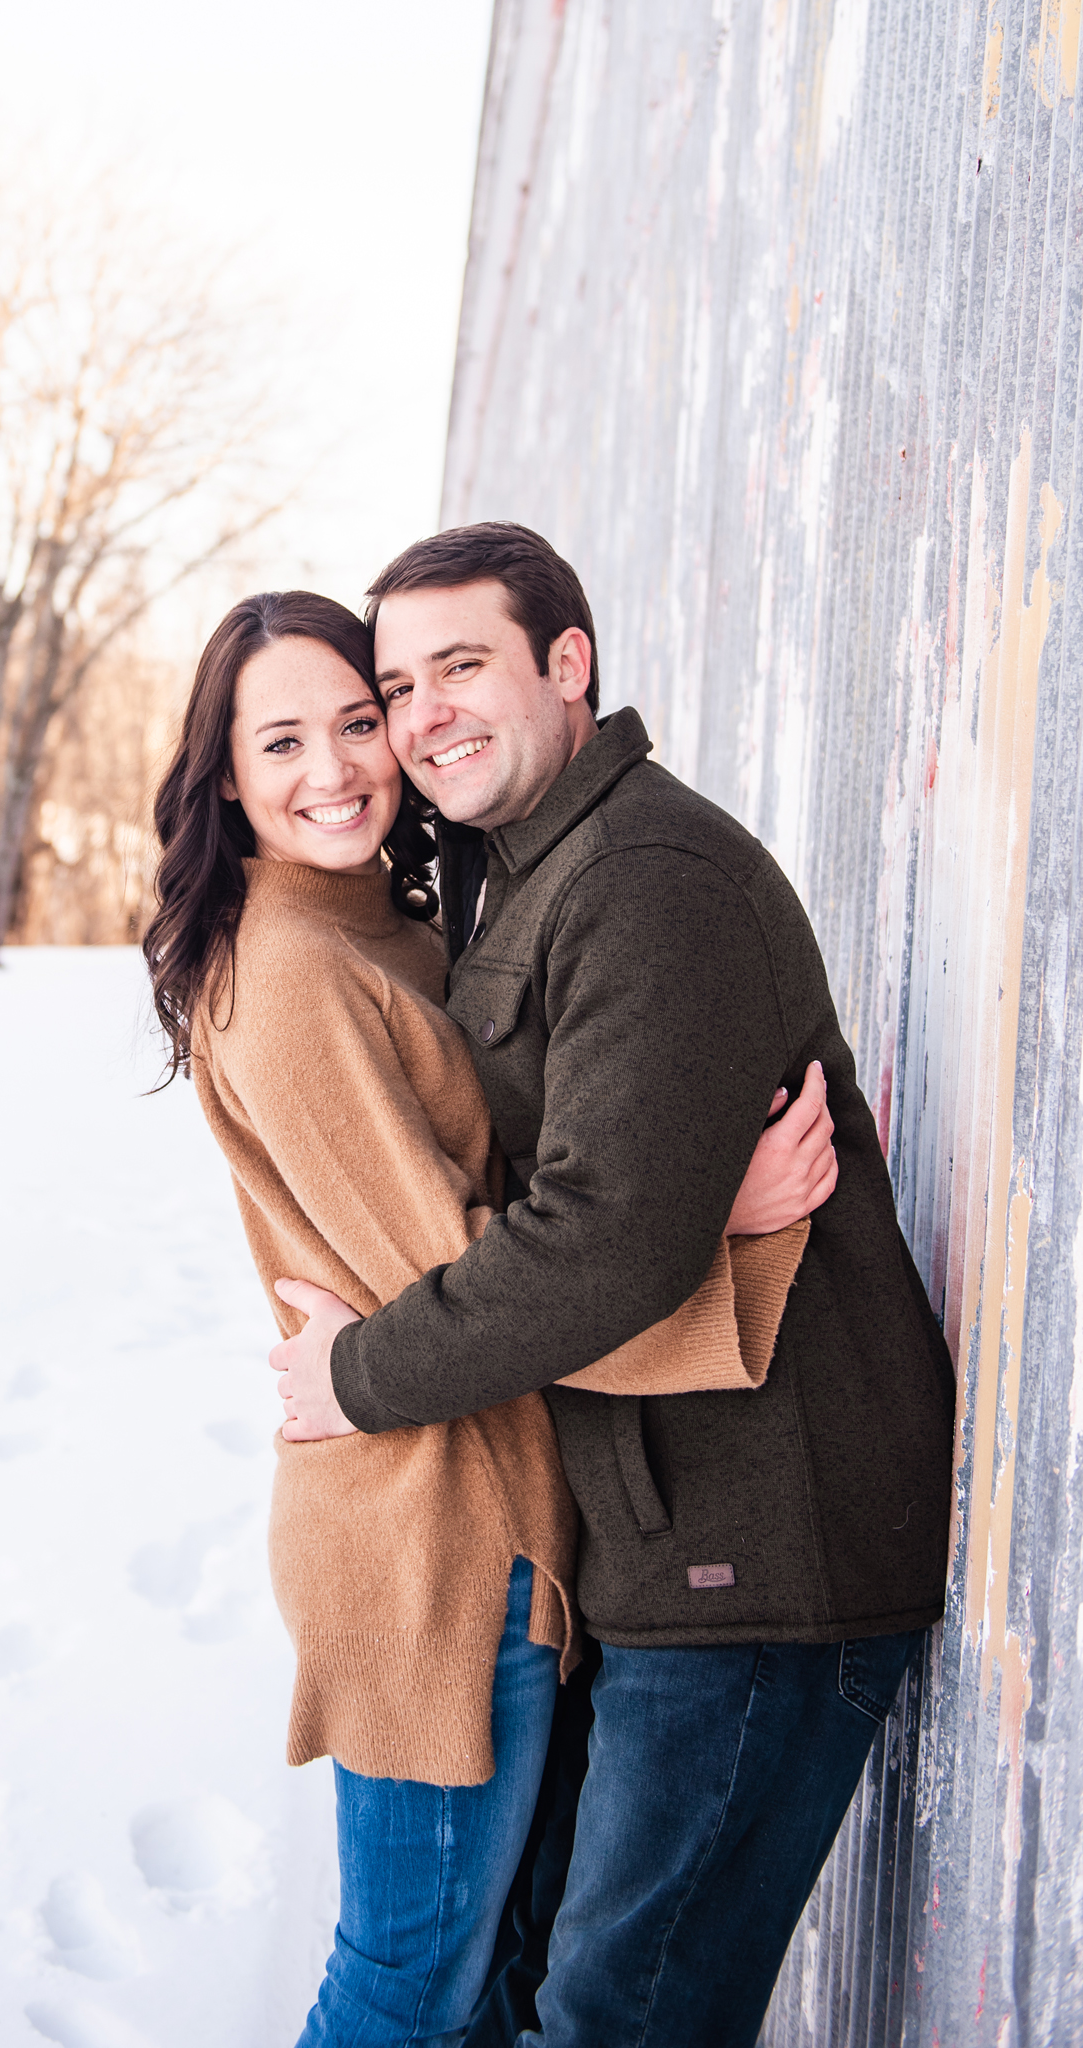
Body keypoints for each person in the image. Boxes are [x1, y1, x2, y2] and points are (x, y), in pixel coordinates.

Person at [267, 525, 957, 2048]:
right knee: (543, 1991)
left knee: (615, 2013)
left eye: (464, 665)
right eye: (401, 683)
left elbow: (595, 1242)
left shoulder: (642, 880)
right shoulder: (525, 876)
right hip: (656, 1541)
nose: (426, 711)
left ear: (566, 666)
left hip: (761, 1555)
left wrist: (358, 1377)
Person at [141, 587, 835, 2048]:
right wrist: (721, 1241)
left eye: (358, 720)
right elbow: (448, 1279)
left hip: (481, 1505)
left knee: (469, 1985)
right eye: (283, 741)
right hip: (427, 1544)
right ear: (222, 773)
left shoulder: (379, 928)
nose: (334, 768)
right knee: (410, 1985)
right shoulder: (291, 974)